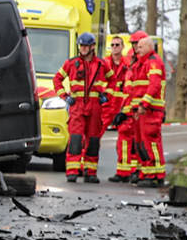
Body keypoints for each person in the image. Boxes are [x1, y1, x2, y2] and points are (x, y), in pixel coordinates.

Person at [50, 32, 110, 183]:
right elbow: (57, 79)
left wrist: (106, 95)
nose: (83, 48)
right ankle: (72, 172)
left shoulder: (101, 65)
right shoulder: (71, 63)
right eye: (81, 45)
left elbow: (113, 80)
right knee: (75, 140)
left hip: (95, 107)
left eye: (85, 46)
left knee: (93, 140)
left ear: (92, 47)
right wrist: (64, 96)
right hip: (77, 106)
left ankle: (91, 173)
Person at [130, 35, 167, 187]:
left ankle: (155, 174)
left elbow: (154, 85)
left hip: (150, 110)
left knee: (151, 142)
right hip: (142, 110)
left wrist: (144, 104)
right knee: (141, 143)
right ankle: (146, 172)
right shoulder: (141, 63)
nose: (137, 49)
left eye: (140, 47)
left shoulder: (153, 62)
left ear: (149, 47)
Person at [107, 33, 138, 183]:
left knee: (127, 141)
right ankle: (127, 171)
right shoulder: (106, 63)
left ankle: (129, 172)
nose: (114, 48)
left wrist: (124, 112)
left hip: (127, 110)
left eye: (117, 45)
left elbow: (130, 94)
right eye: (112, 45)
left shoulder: (131, 69)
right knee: (125, 143)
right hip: (114, 107)